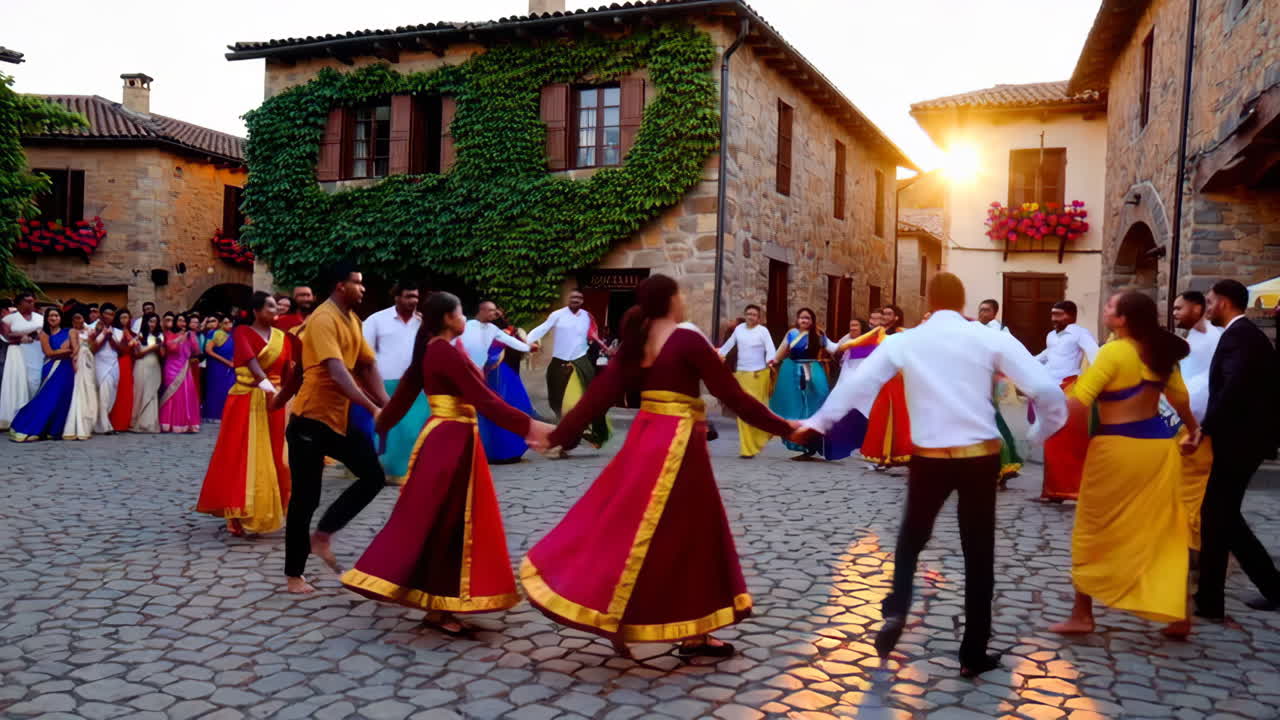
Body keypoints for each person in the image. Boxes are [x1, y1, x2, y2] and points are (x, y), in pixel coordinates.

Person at [794, 273, 1067, 677]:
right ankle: (972, 653)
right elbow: (1046, 390)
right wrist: (1039, 432)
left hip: (929, 457)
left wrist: (817, 423)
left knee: (909, 541)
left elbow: (856, 385)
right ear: (962, 303)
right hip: (979, 457)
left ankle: (898, 607)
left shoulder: (906, 341)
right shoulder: (988, 338)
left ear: (930, 301)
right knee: (979, 555)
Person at [521, 275, 797, 658]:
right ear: (671, 300)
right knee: (694, 534)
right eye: (681, 294)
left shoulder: (638, 338)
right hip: (681, 447)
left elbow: (599, 395)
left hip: (645, 442)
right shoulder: (686, 338)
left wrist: (558, 435)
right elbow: (731, 394)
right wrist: (785, 427)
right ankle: (693, 634)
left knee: (624, 525)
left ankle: (637, 617)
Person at [342, 292, 554, 634]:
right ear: (446, 318)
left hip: (450, 440)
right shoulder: (441, 351)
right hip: (450, 442)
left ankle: (437, 602)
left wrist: (381, 423)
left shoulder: (435, 350)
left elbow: (403, 396)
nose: (463, 317)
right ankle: (439, 604)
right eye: (459, 312)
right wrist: (531, 426)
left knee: (446, 521)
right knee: (450, 520)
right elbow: (483, 398)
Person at [1048, 292, 1198, 637]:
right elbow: (1180, 398)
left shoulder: (1114, 351)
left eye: (1110, 306)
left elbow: (1080, 400)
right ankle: (1180, 616)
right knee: (1163, 529)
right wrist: (1194, 429)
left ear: (1123, 319)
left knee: (1094, 528)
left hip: (1117, 450)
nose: (1104, 309)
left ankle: (1082, 613)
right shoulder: (1160, 352)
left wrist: (1046, 423)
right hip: (1160, 450)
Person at [284, 262, 389, 595]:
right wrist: (371, 408)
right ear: (340, 286)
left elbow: (366, 364)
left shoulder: (352, 320)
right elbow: (336, 371)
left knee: (373, 476)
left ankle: (323, 535)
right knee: (305, 499)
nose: (363, 288)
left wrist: (387, 405)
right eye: (357, 283)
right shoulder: (323, 319)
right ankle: (294, 576)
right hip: (310, 420)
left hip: (337, 420)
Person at [1193, 279, 1280, 617]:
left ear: (1225, 302)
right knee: (1223, 517)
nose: (1208, 307)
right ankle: (1267, 588)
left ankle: (1211, 601)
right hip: (1243, 440)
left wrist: (1205, 428)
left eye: (1211, 301)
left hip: (1240, 442)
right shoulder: (1243, 336)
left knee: (1217, 516)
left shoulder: (1240, 337)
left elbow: (1234, 387)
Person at [197, 292, 299, 536]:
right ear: (256, 310)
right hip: (247, 400)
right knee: (243, 455)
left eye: (277, 307)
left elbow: (288, 372)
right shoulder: (242, 332)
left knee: (277, 456)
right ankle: (241, 514)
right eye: (270, 307)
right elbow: (250, 362)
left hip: (274, 402)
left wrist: (285, 396)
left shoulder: (283, 338)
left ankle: (274, 508)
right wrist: (268, 388)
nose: (276, 311)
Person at [361, 281, 428, 484]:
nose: (413, 301)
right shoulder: (377, 320)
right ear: (396, 297)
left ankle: (413, 470)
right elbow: (364, 352)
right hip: (386, 383)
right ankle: (388, 470)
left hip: (417, 385)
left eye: (416, 297)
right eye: (408, 296)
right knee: (392, 430)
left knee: (415, 429)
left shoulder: (423, 322)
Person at [526, 289, 611, 448]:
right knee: (555, 400)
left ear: (583, 301)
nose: (576, 300)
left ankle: (593, 433)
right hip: (559, 361)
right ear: (568, 299)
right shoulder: (557, 315)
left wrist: (606, 348)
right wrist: (526, 341)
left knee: (589, 397)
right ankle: (572, 430)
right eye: (573, 297)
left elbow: (594, 336)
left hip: (581, 360)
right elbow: (542, 329)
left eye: (579, 297)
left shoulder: (587, 317)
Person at [1172, 290, 1223, 550]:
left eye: (1179, 308)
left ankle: (1197, 543)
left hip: (1201, 426)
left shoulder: (1211, 336)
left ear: (1197, 309)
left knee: (1195, 486)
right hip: (1187, 422)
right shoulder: (1191, 337)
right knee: (1184, 484)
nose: (1174, 313)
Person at [1035, 300, 1099, 502]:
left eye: (1059, 315)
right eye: (1053, 314)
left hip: (1070, 389)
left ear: (1071, 316)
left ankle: (1069, 490)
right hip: (1051, 390)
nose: (1054, 319)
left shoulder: (1080, 333)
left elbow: (1096, 357)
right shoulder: (1051, 336)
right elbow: (1045, 357)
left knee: (1064, 441)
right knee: (1050, 440)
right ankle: (1052, 490)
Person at [460, 300, 535, 463]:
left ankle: (489, 450)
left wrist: (528, 348)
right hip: (464, 372)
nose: (495, 314)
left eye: (496, 311)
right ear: (482, 310)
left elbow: (512, 342)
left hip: (481, 375)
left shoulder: (493, 329)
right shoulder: (466, 326)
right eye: (492, 311)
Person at [768, 307, 838, 460]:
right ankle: (801, 443)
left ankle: (813, 442)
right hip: (792, 373)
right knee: (795, 407)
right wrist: (773, 361)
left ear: (812, 321)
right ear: (797, 320)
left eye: (807, 318)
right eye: (801, 318)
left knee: (816, 405)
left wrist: (852, 343)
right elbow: (781, 351)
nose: (804, 320)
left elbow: (834, 348)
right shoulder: (791, 334)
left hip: (813, 373)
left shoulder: (819, 335)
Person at [717, 305, 777, 458]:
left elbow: (770, 348)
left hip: (757, 375)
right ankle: (747, 448)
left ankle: (765, 432)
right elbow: (728, 345)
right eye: (748, 314)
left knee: (755, 409)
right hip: (741, 375)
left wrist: (770, 360)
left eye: (754, 315)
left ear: (759, 318)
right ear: (745, 315)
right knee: (743, 411)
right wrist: (718, 355)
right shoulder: (739, 329)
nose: (751, 317)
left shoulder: (763, 331)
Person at [857, 305, 913, 468]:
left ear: (896, 317)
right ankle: (881, 454)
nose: (885, 316)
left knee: (897, 417)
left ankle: (895, 454)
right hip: (879, 378)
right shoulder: (878, 333)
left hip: (895, 378)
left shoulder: (902, 333)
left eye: (889, 314)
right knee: (879, 416)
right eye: (883, 314)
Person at [9, 308, 73, 442]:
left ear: (61, 317)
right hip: (52, 369)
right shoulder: (44, 334)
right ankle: (28, 426)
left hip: (67, 370)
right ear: (46, 318)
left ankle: (53, 430)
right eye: (50, 316)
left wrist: (66, 351)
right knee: (47, 399)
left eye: (56, 315)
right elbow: (49, 353)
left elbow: (76, 349)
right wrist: (67, 351)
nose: (53, 318)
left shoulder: (69, 332)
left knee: (62, 400)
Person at [822, 318, 873, 461]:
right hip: (846, 378)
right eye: (851, 325)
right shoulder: (847, 338)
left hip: (863, 380)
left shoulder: (870, 340)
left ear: (862, 327)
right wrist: (822, 336)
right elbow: (834, 348)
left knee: (862, 412)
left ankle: (864, 446)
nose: (852, 328)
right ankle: (837, 448)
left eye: (855, 325)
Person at [0, 292, 44, 430]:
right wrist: (23, 336)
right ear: (19, 303)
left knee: (36, 381)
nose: (31, 304)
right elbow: (6, 335)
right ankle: (15, 417)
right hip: (17, 353)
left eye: (32, 301)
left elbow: (45, 332)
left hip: (37, 352)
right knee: (18, 382)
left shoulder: (40, 318)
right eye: (28, 301)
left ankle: (35, 415)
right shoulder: (9, 319)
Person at [159, 313, 201, 433]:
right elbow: (170, 348)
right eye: (180, 320)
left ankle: (185, 423)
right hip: (171, 367)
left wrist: (191, 337)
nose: (182, 323)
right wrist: (179, 338)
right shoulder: (169, 334)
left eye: (184, 321)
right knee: (171, 395)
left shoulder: (190, 335)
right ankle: (167, 424)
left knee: (186, 395)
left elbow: (197, 351)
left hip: (185, 369)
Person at [63, 305, 98, 441]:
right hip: (80, 359)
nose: (76, 320)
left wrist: (90, 338)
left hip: (89, 359)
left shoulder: (89, 330)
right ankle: (77, 426)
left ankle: (88, 424)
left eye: (79, 317)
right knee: (80, 391)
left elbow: (94, 348)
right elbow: (74, 347)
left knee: (89, 389)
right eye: (74, 318)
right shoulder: (72, 331)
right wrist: (74, 360)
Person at [90, 303, 123, 435]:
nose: (110, 317)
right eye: (107, 314)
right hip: (99, 364)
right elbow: (92, 349)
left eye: (112, 314)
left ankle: (100, 424)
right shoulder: (92, 328)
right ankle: (105, 426)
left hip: (114, 364)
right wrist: (103, 336)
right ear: (101, 314)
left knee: (111, 395)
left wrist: (111, 339)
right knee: (103, 393)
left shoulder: (118, 331)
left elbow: (123, 351)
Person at [130, 313, 165, 434]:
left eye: (155, 322)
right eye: (150, 321)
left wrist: (159, 346)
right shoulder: (139, 336)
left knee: (151, 393)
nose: (152, 324)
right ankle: (136, 422)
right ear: (146, 322)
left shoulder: (159, 336)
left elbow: (163, 355)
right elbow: (137, 354)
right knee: (139, 391)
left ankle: (149, 423)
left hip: (154, 366)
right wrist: (152, 347)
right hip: (141, 365)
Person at [203, 316, 236, 423]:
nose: (228, 325)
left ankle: (227, 415)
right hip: (217, 366)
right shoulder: (215, 334)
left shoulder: (233, 335)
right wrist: (226, 362)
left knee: (228, 389)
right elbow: (209, 350)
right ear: (221, 324)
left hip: (231, 366)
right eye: (225, 323)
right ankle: (214, 415)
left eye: (230, 322)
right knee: (216, 388)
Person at [109, 309, 137, 433]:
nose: (124, 320)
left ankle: (125, 422)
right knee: (118, 390)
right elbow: (119, 347)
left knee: (127, 391)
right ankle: (115, 422)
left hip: (129, 362)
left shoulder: (133, 332)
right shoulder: (115, 331)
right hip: (118, 361)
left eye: (126, 317)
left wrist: (128, 334)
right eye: (122, 318)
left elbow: (136, 346)